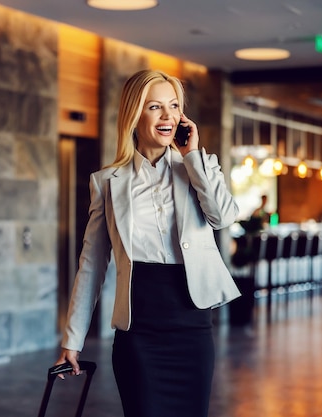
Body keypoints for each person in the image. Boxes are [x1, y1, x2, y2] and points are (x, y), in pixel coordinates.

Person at [55, 69, 240, 417]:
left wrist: (192, 156)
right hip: (139, 329)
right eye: (155, 106)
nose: (168, 115)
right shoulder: (107, 183)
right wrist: (73, 340)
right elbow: (92, 264)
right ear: (134, 114)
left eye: (174, 106)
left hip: (191, 324)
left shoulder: (199, 167)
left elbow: (223, 217)